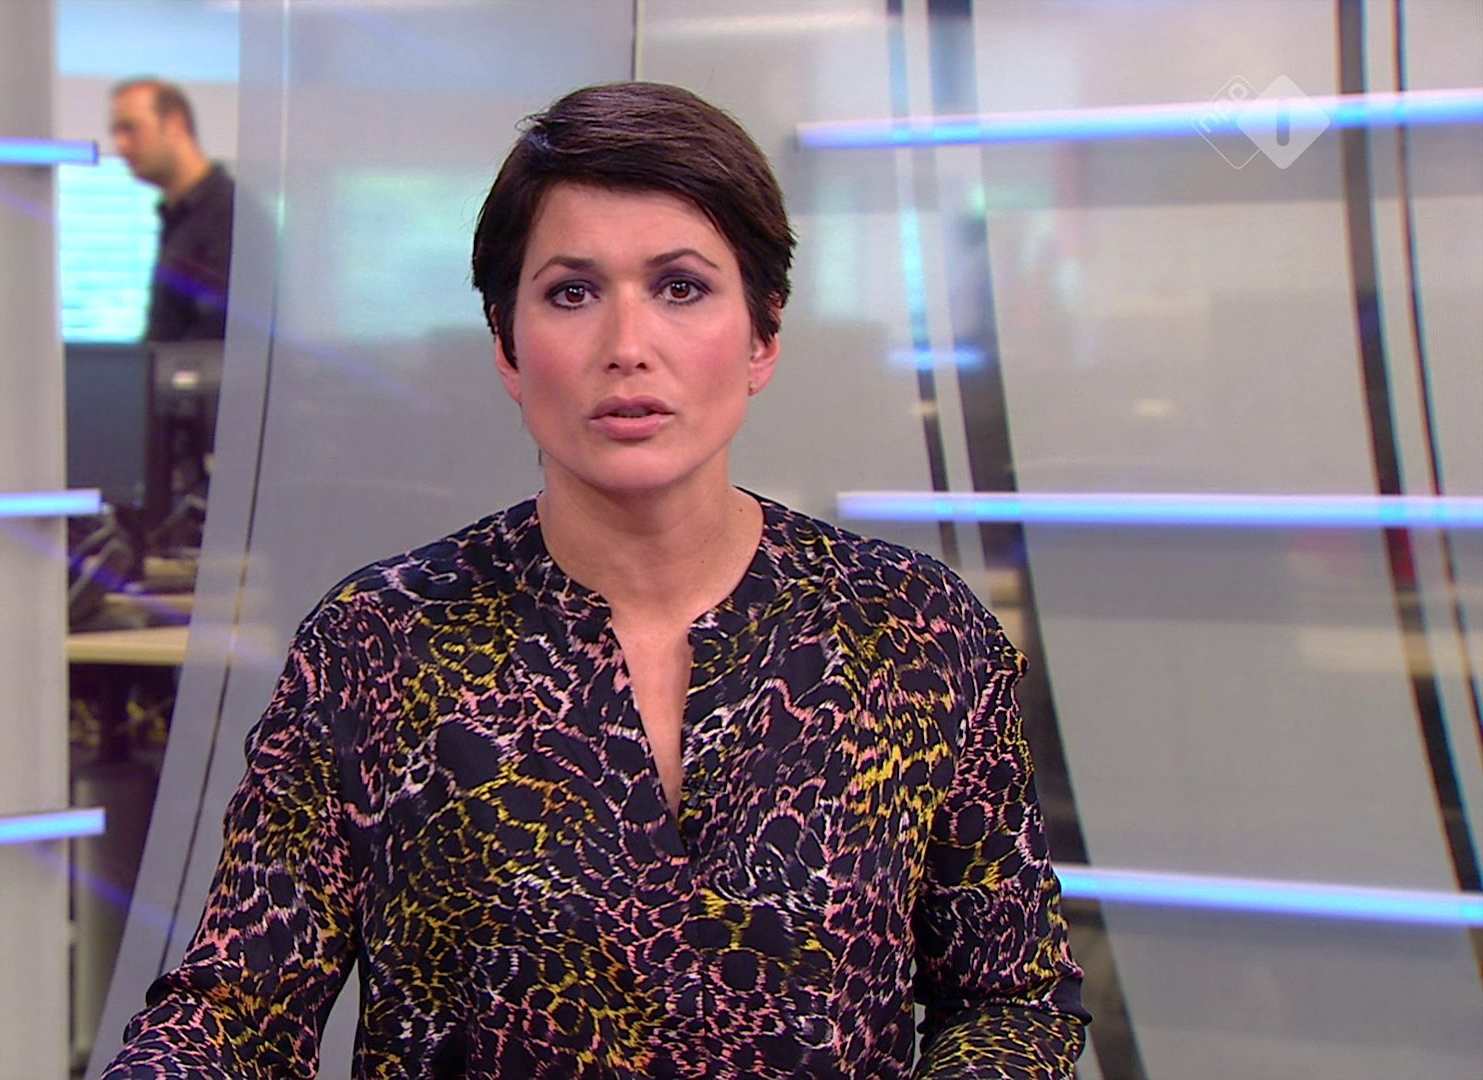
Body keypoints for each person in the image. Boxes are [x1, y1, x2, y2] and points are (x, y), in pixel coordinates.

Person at [102, 81, 1089, 1078]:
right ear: (507, 346)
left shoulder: (910, 630)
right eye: (572, 293)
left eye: (681, 288)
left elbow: (1011, 1000)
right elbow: (233, 1016)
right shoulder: (380, 643)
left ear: (763, 335)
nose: (627, 348)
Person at [109, 77, 235, 342]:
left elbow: (219, 340)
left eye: (130, 129)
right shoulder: (176, 215)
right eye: (116, 132)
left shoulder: (228, 213)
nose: (120, 145)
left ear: (176, 124)